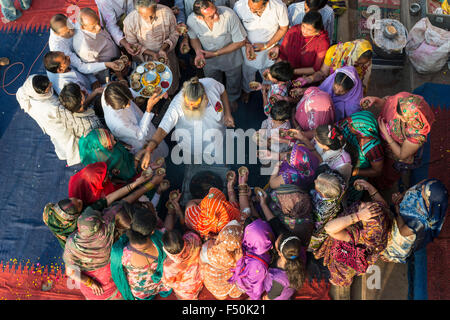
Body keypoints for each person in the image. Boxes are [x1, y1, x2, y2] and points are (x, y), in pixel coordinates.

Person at [136, 77, 235, 168]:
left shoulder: (211, 84)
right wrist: (149, 149)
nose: (190, 108)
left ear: (204, 98)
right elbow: (163, 129)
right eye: (187, 105)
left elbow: (222, 91)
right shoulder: (178, 103)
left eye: (195, 106)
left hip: (217, 137)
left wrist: (227, 113)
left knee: (221, 159)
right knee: (194, 160)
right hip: (191, 143)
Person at [314, 179, 391, 287]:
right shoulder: (380, 217)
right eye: (368, 205)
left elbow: (329, 229)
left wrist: (358, 215)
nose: (363, 203)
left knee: (341, 270)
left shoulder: (358, 236)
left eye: (364, 207)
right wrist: (369, 187)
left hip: (346, 255)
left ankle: (340, 280)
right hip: (367, 251)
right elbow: (382, 203)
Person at [44, 173, 153, 248]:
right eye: (79, 205)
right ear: (78, 216)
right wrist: (148, 186)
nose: (80, 200)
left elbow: (109, 198)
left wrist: (136, 183)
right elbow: (118, 203)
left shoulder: (51, 214)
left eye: (76, 199)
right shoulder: (77, 237)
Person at [361, 92, 435, 189]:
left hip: (395, 153)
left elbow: (402, 155)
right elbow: (389, 103)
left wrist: (387, 136)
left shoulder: (416, 135)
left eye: (401, 116)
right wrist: (376, 100)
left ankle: (380, 186)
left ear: (410, 119)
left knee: (388, 172)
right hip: (384, 139)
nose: (396, 115)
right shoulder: (404, 99)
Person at [187, 0, 247, 109]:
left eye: (216, 11)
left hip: (231, 57)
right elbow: (193, 38)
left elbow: (240, 41)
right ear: (199, 18)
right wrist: (198, 52)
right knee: (212, 81)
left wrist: (215, 53)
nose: (216, 16)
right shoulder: (191, 20)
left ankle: (232, 98)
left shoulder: (229, 14)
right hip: (208, 60)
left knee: (233, 80)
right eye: (211, 16)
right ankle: (217, 98)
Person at [110, 204, 173, 300]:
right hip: (160, 284)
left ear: (132, 225)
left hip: (141, 291)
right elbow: (168, 228)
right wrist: (171, 210)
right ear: (152, 232)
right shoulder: (160, 240)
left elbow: (117, 275)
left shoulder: (120, 253)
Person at [16, 75, 80, 166]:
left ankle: (64, 153)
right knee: (68, 138)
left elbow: (20, 93)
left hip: (46, 121)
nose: (51, 85)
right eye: (48, 87)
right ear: (42, 93)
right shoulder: (51, 106)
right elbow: (68, 115)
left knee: (57, 138)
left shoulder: (27, 88)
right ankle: (75, 157)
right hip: (56, 123)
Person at [234, 0, 289, 103]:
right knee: (247, 73)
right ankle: (247, 90)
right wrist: (246, 43)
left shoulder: (279, 7)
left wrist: (268, 45)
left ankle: (267, 92)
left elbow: (283, 28)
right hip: (248, 49)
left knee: (268, 74)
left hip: (269, 50)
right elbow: (237, 27)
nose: (251, 10)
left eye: (255, 9)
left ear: (266, 2)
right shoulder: (240, 5)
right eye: (250, 7)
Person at [381, 179, 448, 264]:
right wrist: (402, 195)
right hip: (402, 215)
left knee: (391, 239)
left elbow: (402, 231)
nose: (422, 186)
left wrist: (397, 210)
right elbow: (423, 182)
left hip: (403, 229)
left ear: (428, 202)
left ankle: (392, 255)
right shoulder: (432, 189)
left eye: (423, 189)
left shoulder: (420, 222)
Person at [123, 0, 180, 95]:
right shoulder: (130, 21)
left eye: (152, 15)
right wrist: (152, 53)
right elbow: (132, 44)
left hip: (166, 56)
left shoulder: (167, 13)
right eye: (144, 16)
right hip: (144, 60)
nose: (149, 20)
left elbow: (174, 33)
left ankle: (170, 96)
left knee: (169, 82)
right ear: (138, 11)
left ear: (156, 7)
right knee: (149, 86)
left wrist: (163, 49)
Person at [101, 81, 169, 158]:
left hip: (140, 119)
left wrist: (150, 90)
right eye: (125, 105)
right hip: (139, 139)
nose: (129, 104)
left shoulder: (110, 91)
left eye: (129, 100)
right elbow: (140, 134)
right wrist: (149, 109)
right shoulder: (118, 123)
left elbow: (131, 92)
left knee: (159, 142)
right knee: (155, 156)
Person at [49, 14, 121, 76]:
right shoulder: (58, 49)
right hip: (90, 66)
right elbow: (80, 66)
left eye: (71, 27)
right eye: (67, 32)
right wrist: (106, 65)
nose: (72, 32)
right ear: (57, 34)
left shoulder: (65, 23)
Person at [336, 111, 384, 200]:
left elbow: (377, 171)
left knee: (351, 193)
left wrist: (355, 172)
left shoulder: (373, 148)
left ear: (361, 129)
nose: (348, 125)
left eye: (352, 125)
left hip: (357, 174)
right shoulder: (350, 125)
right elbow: (338, 127)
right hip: (345, 164)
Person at [303, 39, 373, 94]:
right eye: (357, 62)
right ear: (352, 55)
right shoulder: (334, 52)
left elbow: (360, 87)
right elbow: (323, 73)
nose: (360, 66)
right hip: (327, 90)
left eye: (362, 64)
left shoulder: (366, 65)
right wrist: (308, 79)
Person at [72, 8, 122, 83]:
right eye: (93, 27)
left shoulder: (91, 21)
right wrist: (110, 66)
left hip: (116, 54)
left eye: (98, 22)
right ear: (83, 27)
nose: (98, 27)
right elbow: (94, 68)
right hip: (110, 68)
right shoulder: (84, 47)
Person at [229, 219, 274, 300]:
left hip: (247, 283)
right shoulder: (263, 242)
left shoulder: (257, 266)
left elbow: (254, 286)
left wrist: (238, 262)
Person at [199, 219, 244, 299]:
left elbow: (202, 263)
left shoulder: (208, 250)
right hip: (232, 282)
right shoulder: (240, 254)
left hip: (215, 283)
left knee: (220, 296)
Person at [277, 11, 329, 78]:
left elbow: (315, 68)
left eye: (309, 29)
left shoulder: (322, 42)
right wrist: (275, 70)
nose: (304, 31)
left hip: (307, 79)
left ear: (317, 30)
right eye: (303, 26)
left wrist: (291, 72)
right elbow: (283, 54)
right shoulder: (294, 31)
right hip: (286, 74)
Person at [308, 170, 346, 253]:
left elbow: (316, 225)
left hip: (320, 227)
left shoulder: (322, 210)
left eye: (317, 183)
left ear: (322, 194)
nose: (315, 181)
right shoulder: (339, 182)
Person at [262, 232, 306, 300]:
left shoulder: (279, 279)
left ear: (280, 253)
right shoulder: (298, 252)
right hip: (286, 289)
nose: (276, 240)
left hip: (278, 295)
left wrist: (264, 298)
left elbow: (270, 297)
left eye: (276, 241)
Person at [162, 230, 203, 300]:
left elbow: (169, 283)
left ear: (166, 250)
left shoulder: (168, 265)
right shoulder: (193, 238)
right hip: (198, 278)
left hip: (187, 289)